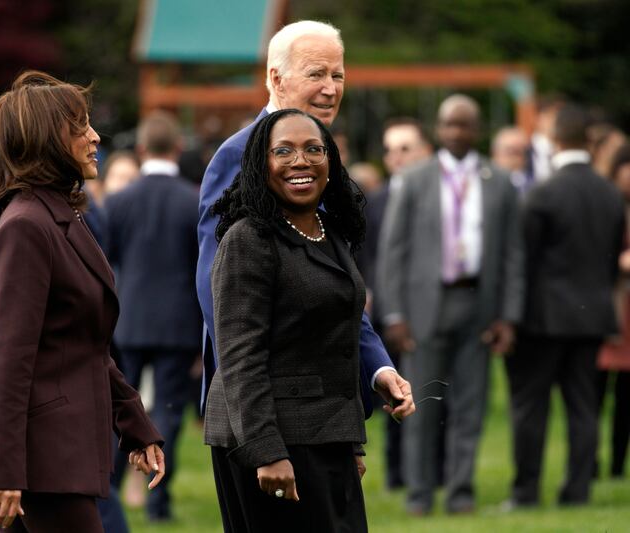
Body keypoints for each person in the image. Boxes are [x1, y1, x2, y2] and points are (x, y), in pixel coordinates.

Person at [0, 70, 165, 532]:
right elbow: (6, 355)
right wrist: (3, 468)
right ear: (48, 140)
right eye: (80, 127)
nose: (94, 136)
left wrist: (135, 424)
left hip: (61, 449)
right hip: (42, 455)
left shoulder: (60, 216)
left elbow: (80, 342)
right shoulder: (27, 226)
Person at [196, 19, 412, 431]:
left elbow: (336, 281)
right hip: (271, 407)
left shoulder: (322, 153)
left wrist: (377, 367)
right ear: (276, 79)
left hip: (326, 401)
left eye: (338, 75)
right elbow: (218, 290)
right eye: (316, 73)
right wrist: (255, 417)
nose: (331, 88)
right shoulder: (239, 156)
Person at [205, 108, 414, 532]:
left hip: (325, 433)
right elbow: (240, 355)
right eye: (283, 151)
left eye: (313, 149)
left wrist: (350, 438)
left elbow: (336, 339)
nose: (300, 161)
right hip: (270, 440)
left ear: (331, 161)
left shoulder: (330, 230)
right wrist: (265, 450)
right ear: (259, 163)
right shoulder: (248, 239)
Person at [378, 94, 524, 515]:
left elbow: (514, 255)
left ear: (478, 131)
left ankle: (461, 493)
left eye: (465, 125)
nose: (457, 132)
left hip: (478, 303)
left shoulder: (499, 181)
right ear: (439, 130)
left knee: (470, 407)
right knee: (420, 406)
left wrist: (508, 316)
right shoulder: (416, 178)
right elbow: (393, 251)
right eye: (449, 124)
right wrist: (395, 315)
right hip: (425, 308)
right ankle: (419, 495)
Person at [506, 104, 625, 508]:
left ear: (555, 138)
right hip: (593, 316)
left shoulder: (543, 193)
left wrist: (511, 316)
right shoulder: (610, 193)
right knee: (584, 409)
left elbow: (524, 259)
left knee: (529, 408)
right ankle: (577, 491)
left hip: (542, 319)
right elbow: (611, 257)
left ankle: (525, 493)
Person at [104, 110, 201, 522]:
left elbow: (103, 263)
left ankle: (105, 493)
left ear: (141, 150)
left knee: (117, 409)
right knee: (169, 413)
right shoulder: (194, 199)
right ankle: (158, 502)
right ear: (178, 148)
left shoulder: (118, 201)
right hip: (179, 324)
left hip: (127, 320)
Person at [357, 117, 433, 491]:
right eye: (390, 150)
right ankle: (397, 474)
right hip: (388, 312)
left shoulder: (440, 198)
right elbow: (367, 256)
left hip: (434, 309)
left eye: (405, 148)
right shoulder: (377, 201)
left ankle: (437, 470)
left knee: (436, 391)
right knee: (394, 389)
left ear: (425, 151)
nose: (396, 157)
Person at [597, 142, 630, 479]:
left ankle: (619, 465)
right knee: (594, 390)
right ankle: (589, 462)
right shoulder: (605, 203)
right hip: (610, 306)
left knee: (625, 397)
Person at [492, 126, 531, 194]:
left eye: (518, 152)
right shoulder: (484, 184)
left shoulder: (534, 185)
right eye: (510, 152)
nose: (514, 159)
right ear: (495, 153)